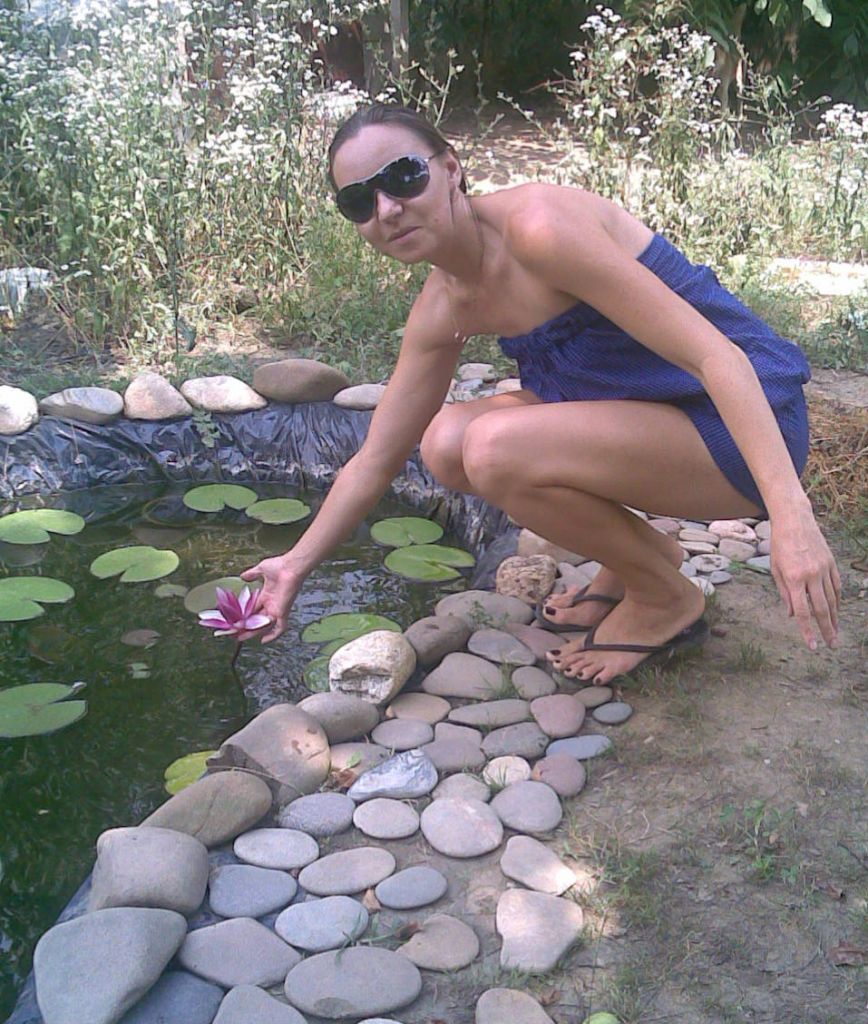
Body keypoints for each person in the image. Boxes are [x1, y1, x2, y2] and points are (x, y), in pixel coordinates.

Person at [241, 102, 840, 685]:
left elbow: (717, 357)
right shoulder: (444, 304)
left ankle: (664, 599)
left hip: (740, 425)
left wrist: (792, 517)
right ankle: (644, 559)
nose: (387, 209)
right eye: (359, 201)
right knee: (445, 443)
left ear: (450, 168)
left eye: (403, 176)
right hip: (655, 422)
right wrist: (294, 565)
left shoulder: (539, 230)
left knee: (493, 448)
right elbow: (377, 457)